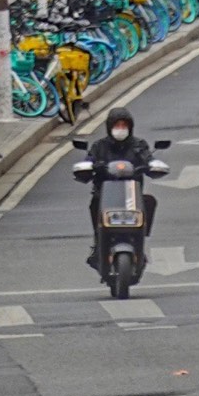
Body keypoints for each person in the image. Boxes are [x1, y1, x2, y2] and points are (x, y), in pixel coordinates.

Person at [78, 103, 156, 276]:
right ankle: (98, 243)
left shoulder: (138, 145)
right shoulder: (100, 146)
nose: (120, 129)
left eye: (124, 126)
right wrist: (90, 166)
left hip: (131, 197)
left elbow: (149, 159)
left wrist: (152, 164)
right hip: (105, 197)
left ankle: (140, 240)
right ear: (110, 127)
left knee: (149, 201)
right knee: (94, 204)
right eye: (117, 126)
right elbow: (88, 161)